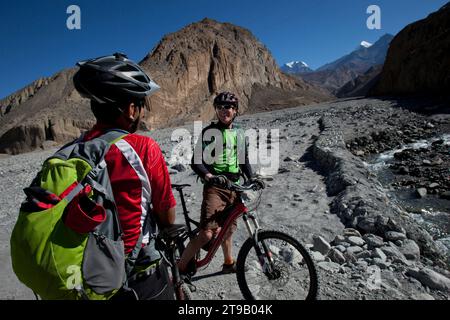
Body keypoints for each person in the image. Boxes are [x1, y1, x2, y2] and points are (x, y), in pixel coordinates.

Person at [73, 53, 177, 299]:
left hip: (87, 275)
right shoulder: (143, 148)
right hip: (138, 276)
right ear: (131, 109)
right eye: (141, 104)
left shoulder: (75, 149)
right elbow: (166, 212)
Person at [178, 91, 260, 274]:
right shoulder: (209, 133)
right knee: (207, 232)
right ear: (216, 110)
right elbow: (196, 161)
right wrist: (209, 176)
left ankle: (228, 263)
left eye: (229, 107)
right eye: (221, 107)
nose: (225, 110)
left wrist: (252, 177)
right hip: (215, 187)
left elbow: (243, 159)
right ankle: (180, 266)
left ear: (236, 110)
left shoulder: (238, 132)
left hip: (235, 186)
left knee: (228, 229)